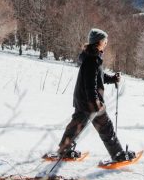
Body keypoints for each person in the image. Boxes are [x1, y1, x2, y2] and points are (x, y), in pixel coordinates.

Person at [56, 28, 135, 162]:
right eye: (105, 40)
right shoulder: (92, 59)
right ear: (98, 42)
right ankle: (118, 155)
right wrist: (96, 104)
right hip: (90, 102)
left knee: (75, 125)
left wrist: (112, 78)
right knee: (106, 127)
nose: (106, 43)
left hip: (82, 100)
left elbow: (98, 76)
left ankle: (64, 149)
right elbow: (90, 85)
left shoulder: (91, 57)